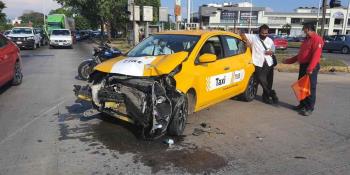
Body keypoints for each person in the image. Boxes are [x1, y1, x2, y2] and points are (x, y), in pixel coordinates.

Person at [282, 23, 323, 116]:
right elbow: (301, 55)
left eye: (304, 29)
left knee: (310, 88)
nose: (303, 31)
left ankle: (309, 108)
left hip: (310, 67)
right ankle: (302, 105)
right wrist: (288, 61)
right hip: (304, 66)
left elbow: (316, 55)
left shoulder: (317, 39)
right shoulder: (306, 39)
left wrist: (310, 68)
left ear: (308, 29)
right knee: (302, 86)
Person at [240, 25, 279, 104]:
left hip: (269, 62)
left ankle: (266, 97)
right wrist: (246, 41)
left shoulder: (269, 40)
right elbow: (242, 34)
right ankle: (271, 93)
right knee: (261, 78)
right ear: (259, 32)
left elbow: (273, 49)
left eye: (266, 33)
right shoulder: (254, 37)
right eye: (263, 33)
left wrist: (270, 52)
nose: (264, 35)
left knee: (269, 81)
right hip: (258, 63)